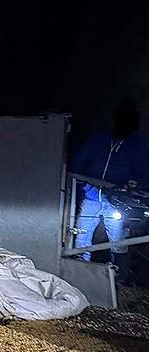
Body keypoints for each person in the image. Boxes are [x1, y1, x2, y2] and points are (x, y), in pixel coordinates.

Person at [70, 100, 149, 280]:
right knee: (81, 236)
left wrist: (133, 185)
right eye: (121, 120)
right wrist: (85, 185)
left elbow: (144, 173)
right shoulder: (98, 139)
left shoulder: (138, 145)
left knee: (118, 240)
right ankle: (79, 275)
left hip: (116, 201)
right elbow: (78, 163)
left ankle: (119, 279)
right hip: (91, 197)